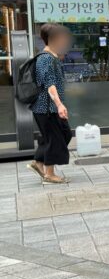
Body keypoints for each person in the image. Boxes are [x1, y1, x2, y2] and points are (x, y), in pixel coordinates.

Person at [27, 23, 73, 185]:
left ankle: (38, 161)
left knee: (64, 134)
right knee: (55, 138)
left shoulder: (52, 57)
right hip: (46, 108)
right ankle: (49, 174)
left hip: (49, 108)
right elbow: (50, 84)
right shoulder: (46, 59)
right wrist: (59, 105)